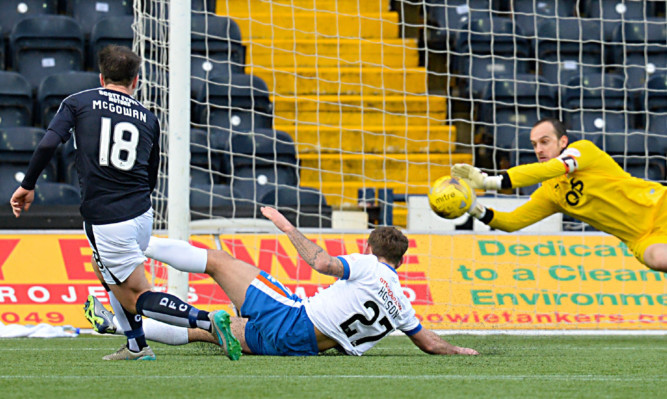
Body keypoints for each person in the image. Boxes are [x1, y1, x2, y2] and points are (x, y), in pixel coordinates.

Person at [10, 45, 241, 361]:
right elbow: (152, 174)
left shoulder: (77, 103)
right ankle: (136, 345)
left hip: (108, 217)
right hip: (140, 214)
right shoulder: (148, 118)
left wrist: (28, 185)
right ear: (135, 81)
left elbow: (50, 142)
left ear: (102, 77)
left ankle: (206, 320)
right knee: (99, 264)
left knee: (136, 296)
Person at [86, 206, 479, 357]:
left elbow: (322, 263)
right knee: (210, 333)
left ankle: (130, 244)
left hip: (291, 315)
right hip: (298, 346)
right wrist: (461, 351)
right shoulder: (401, 304)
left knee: (219, 262)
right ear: (400, 259)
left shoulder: (369, 266)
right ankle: (113, 326)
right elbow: (429, 343)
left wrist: (286, 226)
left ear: (372, 249)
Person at [452, 117, 667, 273]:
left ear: (562, 142)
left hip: (661, 205)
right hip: (641, 239)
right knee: (659, 260)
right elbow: (512, 222)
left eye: (545, 142)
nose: (538, 149)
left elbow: (551, 169)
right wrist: (473, 208)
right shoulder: (551, 193)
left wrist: (489, 181)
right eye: (534, 145)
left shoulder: (584, 151)